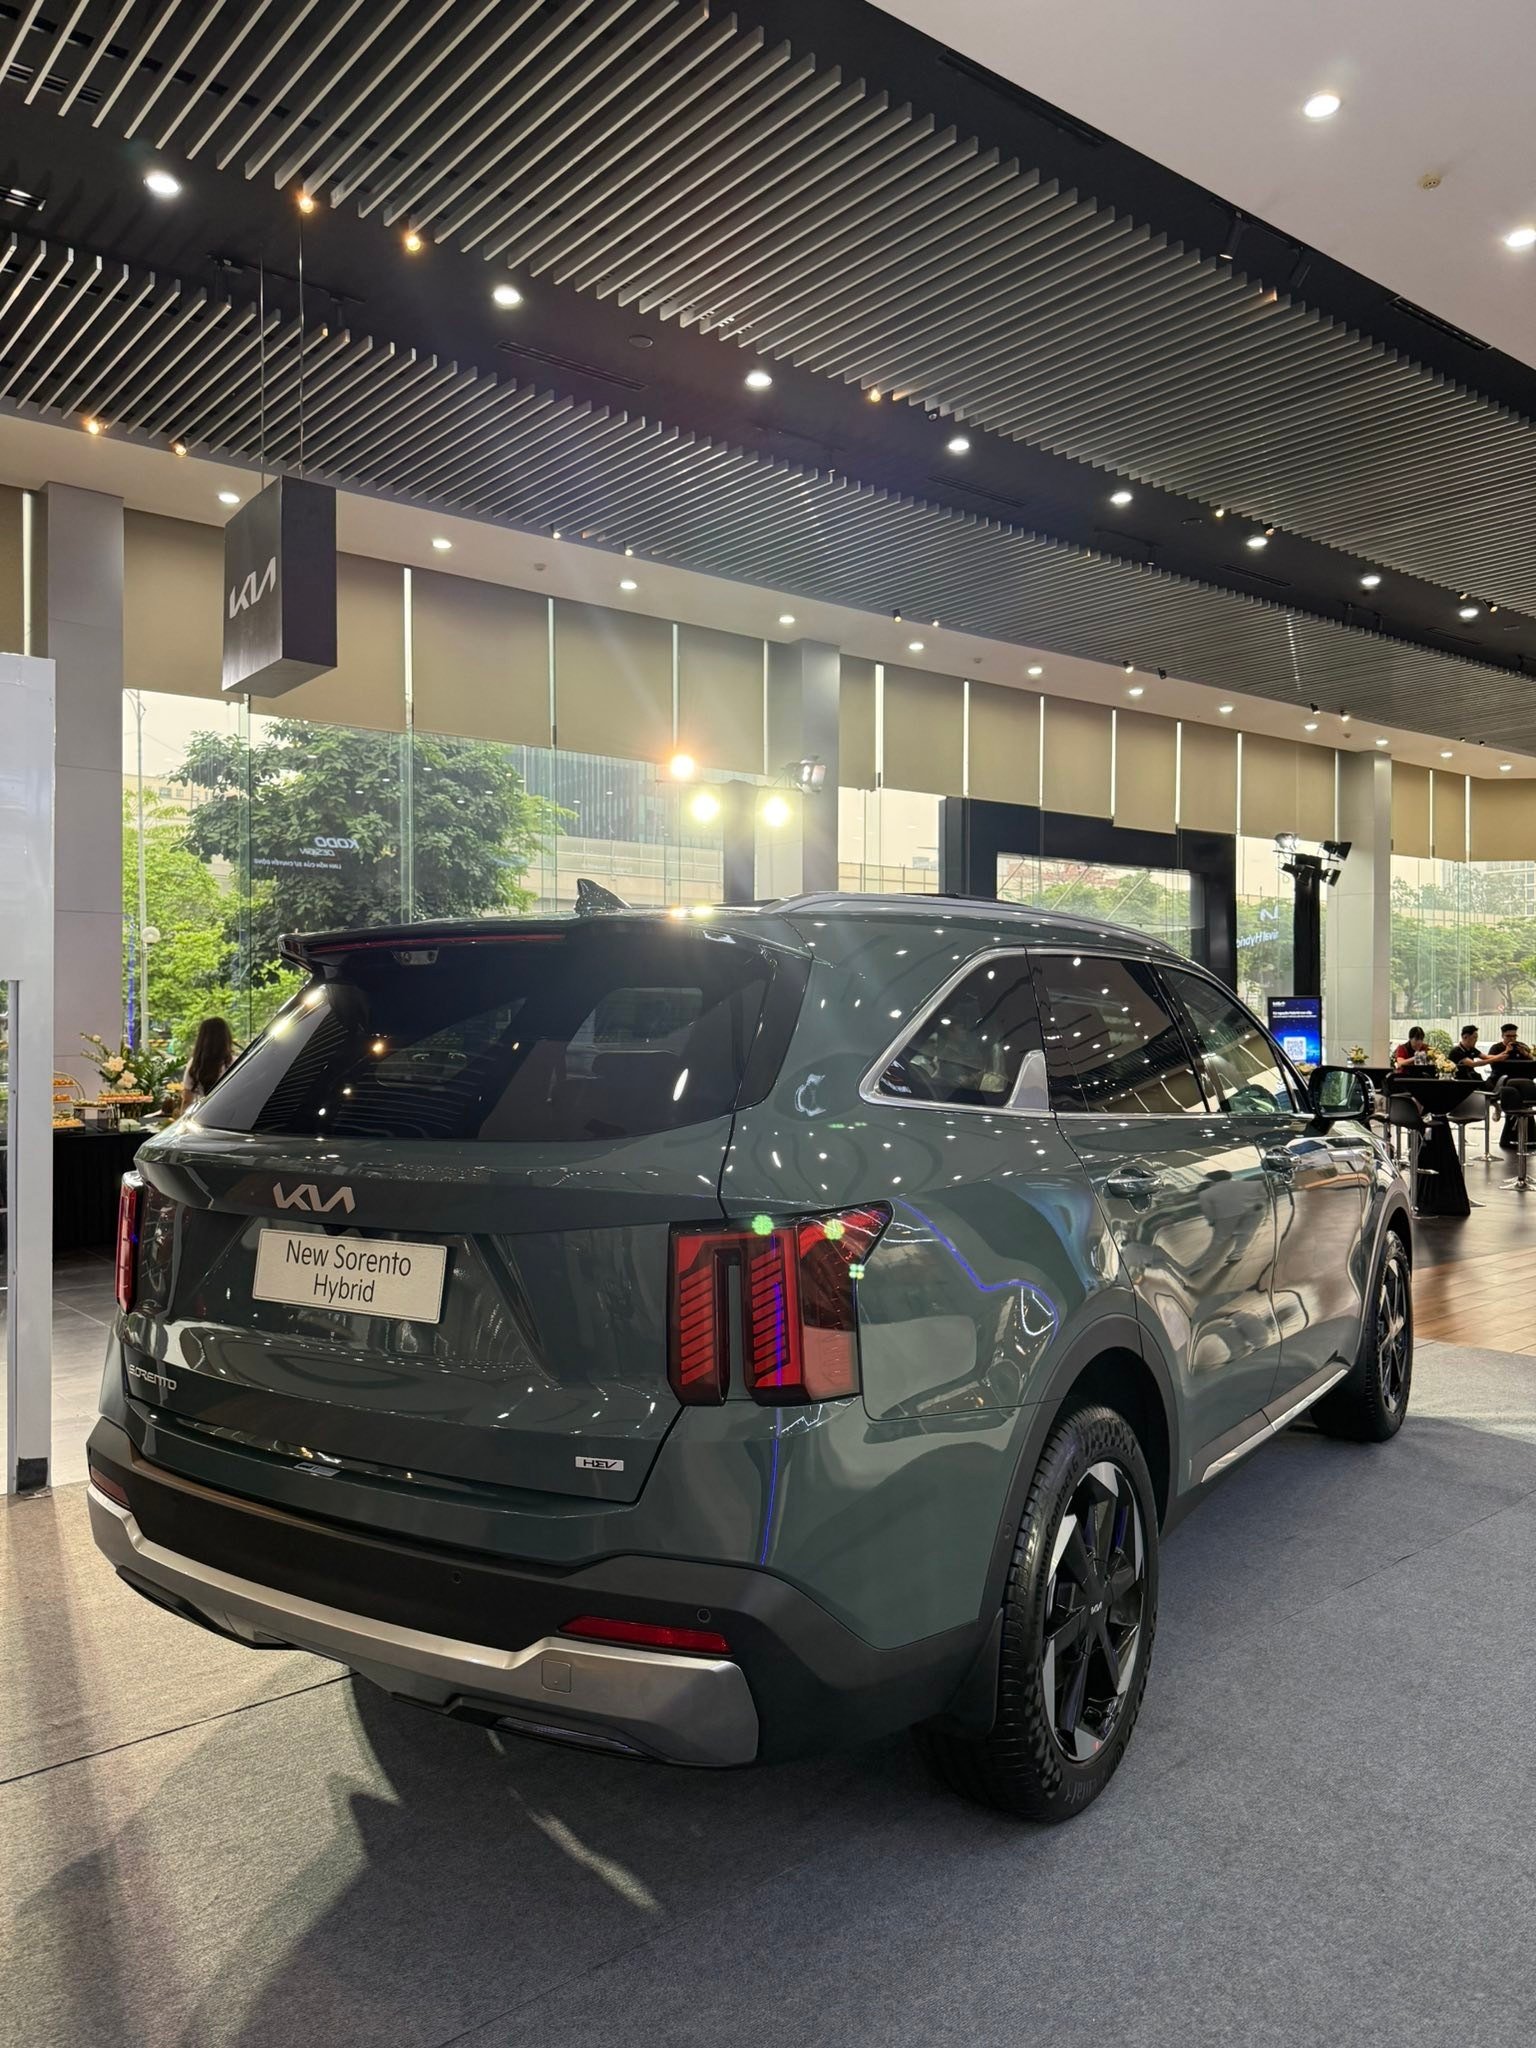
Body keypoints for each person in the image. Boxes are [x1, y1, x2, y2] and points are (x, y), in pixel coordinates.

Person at [1485, 1024, 1534, 1152]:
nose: (1512, 1039)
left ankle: (1529, 1137)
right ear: (1503, 1036)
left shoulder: (1522, 1047)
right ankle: (1509, 1135)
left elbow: (1532, 1064)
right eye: (1508, 1036)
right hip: (1503, 1081)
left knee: (1526, 1099)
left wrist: (1526, 1054)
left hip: (1522, 1081)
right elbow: (1493, 1064)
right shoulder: (1496, 1048)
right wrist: (1506, 1052)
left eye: (1514, 1036)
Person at [181, 1016, 236, 1109]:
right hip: (230, 1113)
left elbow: (187, 1100)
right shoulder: (235, 1063)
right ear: (226, 1037)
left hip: (205, 1113)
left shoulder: (195, 1064)